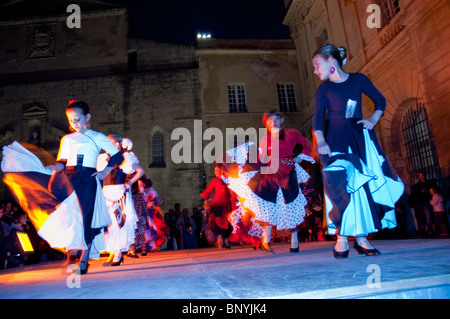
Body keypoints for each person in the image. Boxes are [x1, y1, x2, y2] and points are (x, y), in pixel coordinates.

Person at [311, 44, 404, 259]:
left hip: (358, 137)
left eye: (317, 65)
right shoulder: (323, 90)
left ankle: (361, 238)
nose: (316, 71)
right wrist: (321, 140)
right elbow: (317, 117)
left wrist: (373, 119)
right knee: (338, 185)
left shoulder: (358, 80)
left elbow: (380, 100)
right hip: (333, 140)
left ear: (331, 61)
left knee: (361, 187)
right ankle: (341, 238)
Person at [47, 100, 123, 273]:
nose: (74, 123)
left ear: (87, 117)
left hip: (88, 180)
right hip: (70, 180)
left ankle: (84, 259)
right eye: (71, 120)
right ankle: (71, 256)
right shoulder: (66, 139)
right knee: (70, 218)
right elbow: (62, 162)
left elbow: (117, 156)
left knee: (86, 219)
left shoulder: (97, 136)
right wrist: (55, 168)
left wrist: (104, 173)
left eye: (77, 119)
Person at [228, 111, 314, 253]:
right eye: (270, 120)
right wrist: (245, 159)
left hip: (288, 172)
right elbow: (261, 159)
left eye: (277, 119)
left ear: (282, 120)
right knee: (269, 206)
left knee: (290, 205)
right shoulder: (265, 139)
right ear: (266, 124)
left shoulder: (292, 133)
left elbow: (306, 145)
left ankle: (295, 242)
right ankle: (265, 240)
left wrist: (301, 156)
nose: (274, 122)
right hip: (271, 174)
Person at [98, 134, 143, 266]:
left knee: (119, 223)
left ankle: (117, 252)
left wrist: (130, 183)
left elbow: (140, 171)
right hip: (105, 194)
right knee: (108, 224)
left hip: (119, 194)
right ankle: (112, 250)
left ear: (118, 144)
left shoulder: (126, 157)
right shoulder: (102, 158)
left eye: (111, 142)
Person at [200, 164, 233, 249]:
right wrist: (206, 200)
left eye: (217, 170)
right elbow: (208, 190)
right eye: (215, 171)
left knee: (227, 222)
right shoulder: (215, 181)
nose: (215, 172)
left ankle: (225, 240)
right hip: (217, 204)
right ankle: (221, 239)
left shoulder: (228, 180)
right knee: (216, 221)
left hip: (226, 204)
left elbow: (233, 190)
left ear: (222, 171)